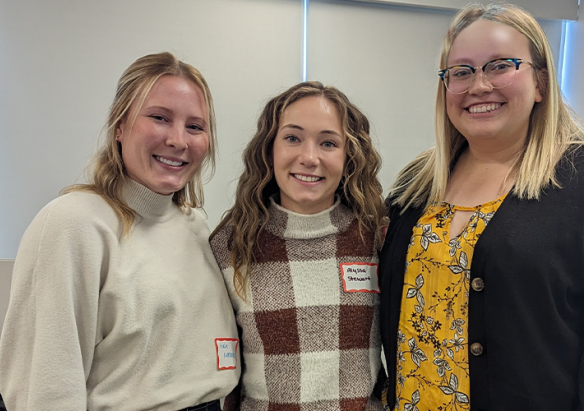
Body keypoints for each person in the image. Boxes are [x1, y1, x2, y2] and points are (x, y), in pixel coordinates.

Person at [379, 4, 584, 411]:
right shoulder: (417, 184)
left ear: (541, 83)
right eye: (461, 72)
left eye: (500, 65)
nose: (479, 86)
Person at [0, 52, 240, 411]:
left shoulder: (196, 227)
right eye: (159, 118)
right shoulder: (73, 224)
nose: (178, 140)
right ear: (120, 126)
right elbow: (47, 388)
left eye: (195, 126)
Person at [210, 81, 386, 410]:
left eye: (328, 143)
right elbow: (224, 377)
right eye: (292, 138)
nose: (309, 157)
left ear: (350, 156)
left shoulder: (377, 239)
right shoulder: (230, 245)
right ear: (269, 148)